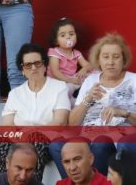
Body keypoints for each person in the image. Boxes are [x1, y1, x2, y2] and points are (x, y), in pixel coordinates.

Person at [49, 33, 136, 177]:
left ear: (123, 59)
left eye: (116, 57)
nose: (110, 62)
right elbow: (73, 123)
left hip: (116, 137)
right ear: (99, 60)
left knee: (101, 142)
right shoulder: (91, 80)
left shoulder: (134, 80)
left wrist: (123, 112)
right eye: (106, 57)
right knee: (57, 146)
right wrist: (88, 98)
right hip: (88, 136)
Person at [0, 43, 70, 180]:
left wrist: (31, 132)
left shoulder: (59, 87)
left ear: (45, 65)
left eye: (37, 63)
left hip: (47, 142)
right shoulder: (15, 94)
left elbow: (60, 121)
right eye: (28, 65)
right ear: (22, 69)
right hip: (18, 142)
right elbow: (6, 126)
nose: (34, 68)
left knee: (35, 140)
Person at [47, 17, 91, 100]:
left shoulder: (76, 53)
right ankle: (68, 100)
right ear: (56, 41)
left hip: (72, 79)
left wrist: (84, 69)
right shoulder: (54, 52)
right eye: (63, 35)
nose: (68, 37)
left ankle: (80, 94)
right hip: (58, 81)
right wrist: (69, 80)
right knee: (66, 89)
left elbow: (88, 65)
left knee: (93, 73)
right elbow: (55, 72)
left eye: (71, 34)